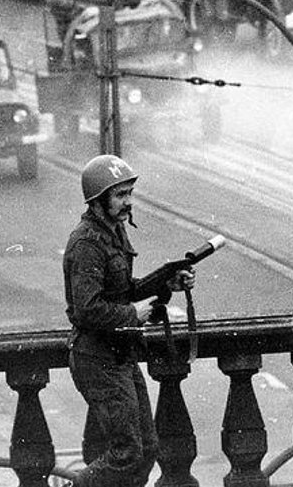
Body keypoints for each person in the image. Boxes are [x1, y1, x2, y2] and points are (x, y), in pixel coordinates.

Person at [63, 154, 195, 487]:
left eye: (129, 193)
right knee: (127, 453)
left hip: (119, 356)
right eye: (120, 195)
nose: (128, 202)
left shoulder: (114, 232)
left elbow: (126, 290)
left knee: (146, 448)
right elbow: (86, 309)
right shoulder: (87, 244)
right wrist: (132, 314)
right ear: (97, 200)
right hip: (98, 359)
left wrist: (168, 283)